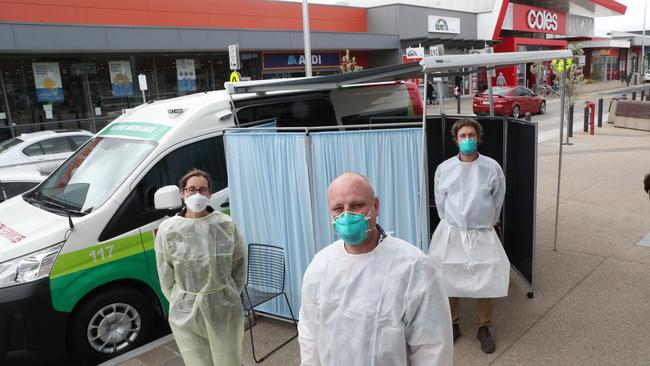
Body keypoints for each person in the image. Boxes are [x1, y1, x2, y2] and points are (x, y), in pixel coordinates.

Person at [298, 172, 453, 366]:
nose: (347, 216)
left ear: (376, 206)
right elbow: (309, 332)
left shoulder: (414, 267)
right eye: (338, 208)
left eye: (356, 206)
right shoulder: (320, 265)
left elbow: (433, 346)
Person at [428, 118, 509, 354]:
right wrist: (453, 221)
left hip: (482, 231)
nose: (467, 140)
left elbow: (497, 199)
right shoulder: (444, 169)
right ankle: (452, 323)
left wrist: (487, 221)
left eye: (471, 136)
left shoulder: (491, 168)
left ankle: (483, 327)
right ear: (456, 140)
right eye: (462, 136)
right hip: (452, 231)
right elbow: (441, 202)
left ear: (478, 138)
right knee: (449, 275)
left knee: (485, 278)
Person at [155, 169, 247, 366]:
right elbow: (165, 274)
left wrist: (226, 295)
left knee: (229, 360)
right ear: (182, 193)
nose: (197, 194)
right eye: (191, 189)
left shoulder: (225, 225)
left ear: (210, 194)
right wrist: (181, 302)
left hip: (224, 307)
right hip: (185, 311)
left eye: (203, 190)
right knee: (197, 361)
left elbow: (239, 266)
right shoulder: (168, 230)